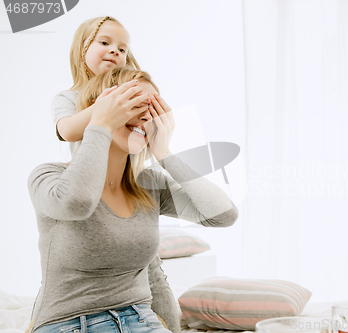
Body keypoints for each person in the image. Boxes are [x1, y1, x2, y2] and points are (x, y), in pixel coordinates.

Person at [27, 66, 238, 333]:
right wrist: (100, 123)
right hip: (70, 324)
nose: (145, 116)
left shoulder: (149, 184)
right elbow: (77, 202)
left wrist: (165, 153)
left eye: (153, 109)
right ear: (100, 107)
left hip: (141, 320)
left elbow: (223, 215)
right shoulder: (49, 177)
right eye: (134, 103)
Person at [50, 16, 181, 333]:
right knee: (67, 266)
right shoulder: (71, 98)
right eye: (104, 42)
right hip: (91, 196)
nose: (114, 52)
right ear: (82, 49)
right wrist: (106, 106)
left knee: (150, 267)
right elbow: (66, 130)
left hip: (129, 193)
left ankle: (174, 326)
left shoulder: (133, 95)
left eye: (122, 49)